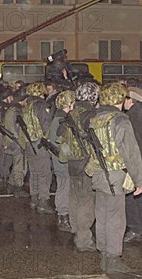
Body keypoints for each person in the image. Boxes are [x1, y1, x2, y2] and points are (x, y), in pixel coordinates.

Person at [86, 82, 142, 273]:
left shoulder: (95, 119)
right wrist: (138, 180)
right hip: (116, 174)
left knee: (101, 214)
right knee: (116, 217)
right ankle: (113, 258)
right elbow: (131, 153)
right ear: (121, 98)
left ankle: (103, 253)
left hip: (99, 173)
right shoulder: (120, 120)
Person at [59, 82, 99, 252]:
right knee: (86, 202)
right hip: (86, 163)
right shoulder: (91, 115)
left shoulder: (70, 114)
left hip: (72, 162)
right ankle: (83, 239)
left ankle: (76, 229)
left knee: (74, 198)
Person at [123, 86, 142, 243]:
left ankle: (135, 228)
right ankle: (141, 225)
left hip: (135, 161)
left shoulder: (131, 116)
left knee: (130, 196)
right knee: (139, 196)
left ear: (130, 100)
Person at [19, 82, 55, 214]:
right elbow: (46, 126)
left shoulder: (27, 106)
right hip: (40, 144)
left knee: (33, 173)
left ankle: (34, 199)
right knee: (44, 174)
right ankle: (43, 201)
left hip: (29, 143)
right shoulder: (41, 105)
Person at [50, 90, 75, 232]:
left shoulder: (57, 118)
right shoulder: (63, 120)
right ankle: (63, 217)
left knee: (62, 186)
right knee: (65, 187)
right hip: (63, 160)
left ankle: (62, 214)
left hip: (58, 158)